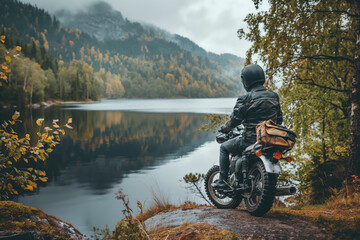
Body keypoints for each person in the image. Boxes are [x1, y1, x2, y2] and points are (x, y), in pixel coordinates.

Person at [212, 64, 283, 189]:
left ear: (246, 80)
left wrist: (224, 128)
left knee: (223, 147)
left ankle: (222, 180)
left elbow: (235, 120)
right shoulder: (274, 96)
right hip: (269, 139)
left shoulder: (245, 98)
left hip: (249, 139)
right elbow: (279, 119)